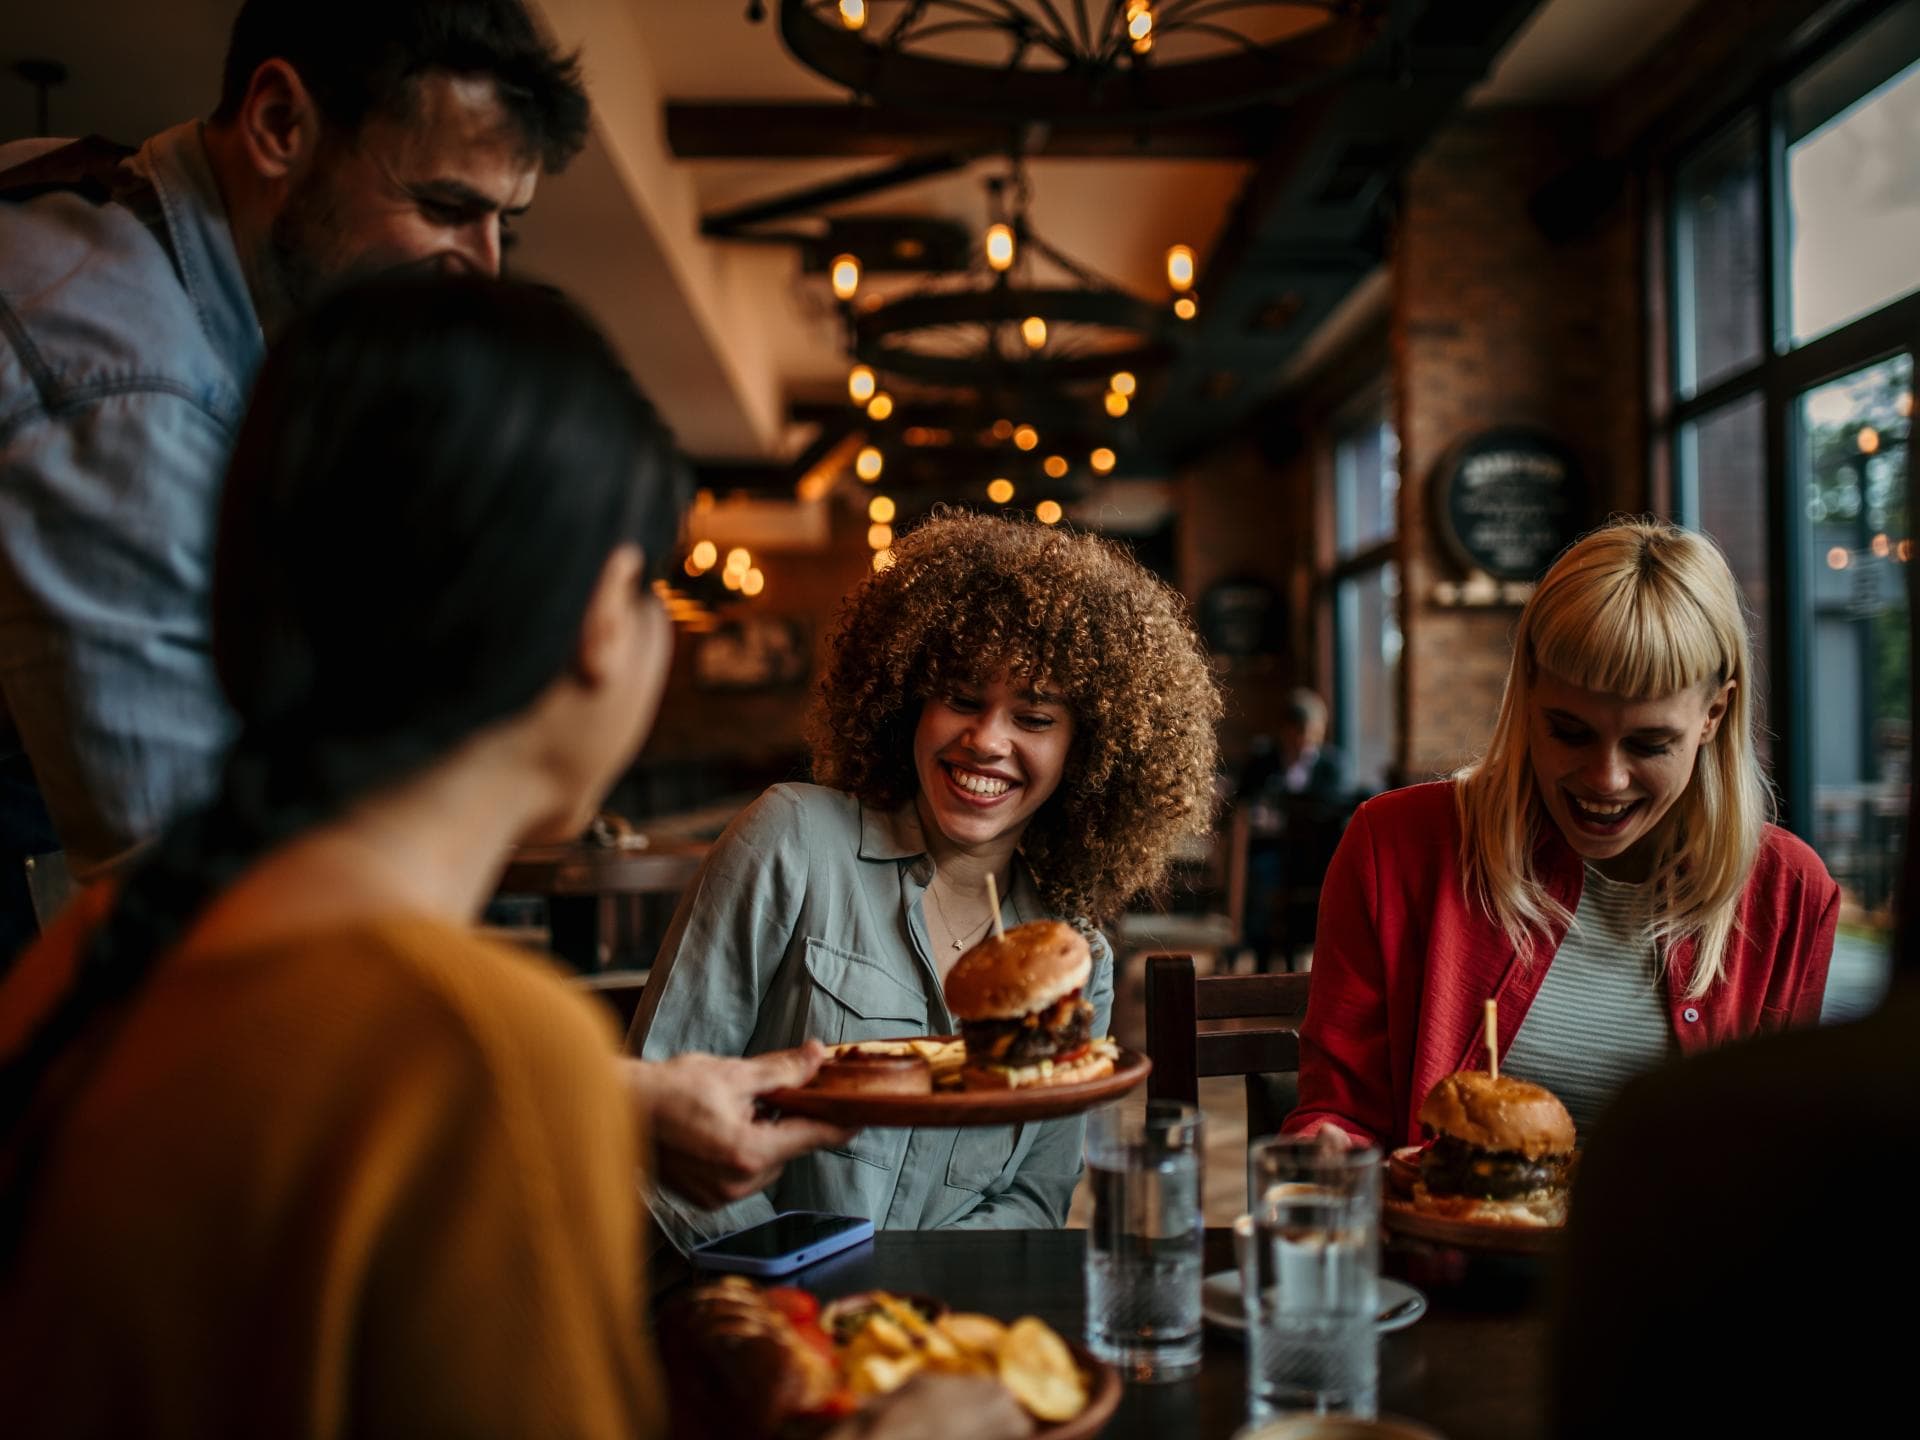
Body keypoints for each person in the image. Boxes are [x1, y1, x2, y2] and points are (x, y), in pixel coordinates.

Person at [0, 274, 888, 1436]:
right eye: (652, 589)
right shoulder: (483, 1048)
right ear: (599, 619)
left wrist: (618, 1104)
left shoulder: (86, 953)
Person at [0, 0, 589, 943]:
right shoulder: (130, 386)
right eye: (445, 207)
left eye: (503, 223)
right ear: (280, 123)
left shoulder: (88, 199)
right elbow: (193, 910)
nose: (482, 268)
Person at [631, 512, 1222, 1249]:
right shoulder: (793, 840)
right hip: (752, 1289)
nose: (987, 740)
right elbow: (657, 1121)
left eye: (1034, 718)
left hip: (942, 1311)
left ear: (1088, 751)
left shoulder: (1076, 967)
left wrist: (915, 1297)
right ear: (911, 701)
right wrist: (799, 1278)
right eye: (963, 699)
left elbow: (1033, 1200)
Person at [1284, 520, 1839, 1148]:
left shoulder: (1790, 895)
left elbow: (1780, 1154)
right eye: (1570, 732)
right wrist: (1327, 1144)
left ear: (1714, 714)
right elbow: (1339, 1113)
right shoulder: (1396, 849)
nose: (1607, 778)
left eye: (1650, 744)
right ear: (1527, 690)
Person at [1276, 688, 1351, 804]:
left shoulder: (1332, 766)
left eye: (1311, 736)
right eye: (1296, 733)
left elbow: (1336, 805)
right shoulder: (1264, 763)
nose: (1301, 741)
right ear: (1284, 730)